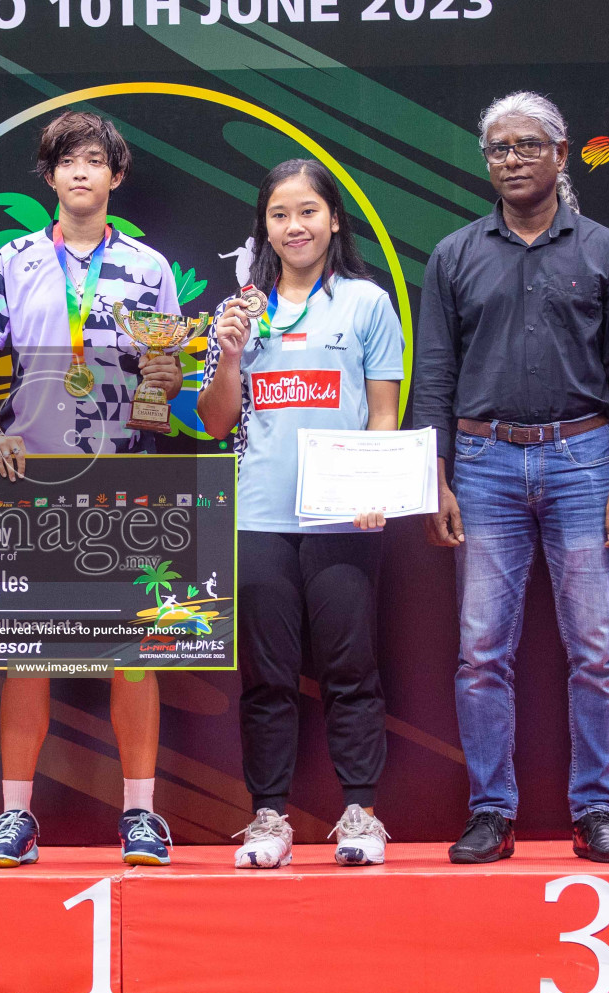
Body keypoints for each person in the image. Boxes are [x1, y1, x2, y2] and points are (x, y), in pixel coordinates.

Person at [412, 91, 609, 865]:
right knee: (482, 650)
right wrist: (435, 475)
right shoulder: (454, 254)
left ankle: (597, 810)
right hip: (481, 466)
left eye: (525, 146)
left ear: (562, 152)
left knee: (597, 648)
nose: (510, 160)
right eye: (497, 149)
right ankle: (491, 811)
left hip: (586, 460)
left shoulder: (607, 250)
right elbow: (436, 377)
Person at [0, 111, 183, 867]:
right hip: (33, 482)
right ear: (49, 176)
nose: (81, 173)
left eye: (95, 162)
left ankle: (142, 815)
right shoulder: (12, 259)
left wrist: (167, 375)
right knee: (28, 655)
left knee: (136, 654)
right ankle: (15, 816)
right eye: (67, 162)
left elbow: (168, 376)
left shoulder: (151, 267)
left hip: (127, 480)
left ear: (116, 177)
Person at [198, 160, 403, 869]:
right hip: (258, 516)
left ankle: (361, 814)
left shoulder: (367, 304)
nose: (295, 226)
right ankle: (267, 819)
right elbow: (215, 419)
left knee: (351, 668)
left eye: (309, 211)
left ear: (334, 220)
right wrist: (227, 356)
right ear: (265, 226)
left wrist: (374, 486)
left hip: (341, 516)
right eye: (280, 214)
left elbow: (384, 413)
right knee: (266, 676)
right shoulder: (242, 309)